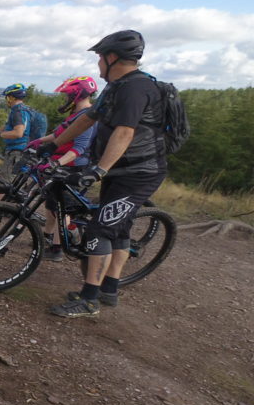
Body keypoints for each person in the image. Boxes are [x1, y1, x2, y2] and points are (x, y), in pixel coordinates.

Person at [41, 30, 168, 318]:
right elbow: (88, 118)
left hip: (138, 173)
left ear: (112, 58)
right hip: (122, 170)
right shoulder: (116, 87)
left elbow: (125, 132)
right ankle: (109, 290)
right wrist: (53, 144)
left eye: (100, 57)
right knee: (119, 229)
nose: (98, 63)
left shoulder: (136, 89)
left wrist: (98, 170)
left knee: (98, 231)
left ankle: (89, 300)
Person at [27, 76, 98, 261]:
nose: (66, 98)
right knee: (51, 205)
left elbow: (78, 149)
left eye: (68, 94)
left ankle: (57, 249)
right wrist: (39, 141)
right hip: (62, 164)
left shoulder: (87, 116)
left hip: (74, 168)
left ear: (77, 94)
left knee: (63, 210)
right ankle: (47, 237)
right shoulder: (76, 114)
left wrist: (56, 164)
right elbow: (58, 135)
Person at [0, 84, 31, 172]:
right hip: (19, 149)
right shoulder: (21, 109)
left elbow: (18, 133)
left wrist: (0, 134)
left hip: (16, 151)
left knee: (4, 182)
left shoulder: (18, 111)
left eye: (7, 97)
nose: (6, 100)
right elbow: (8, 125)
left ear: (12, 97)